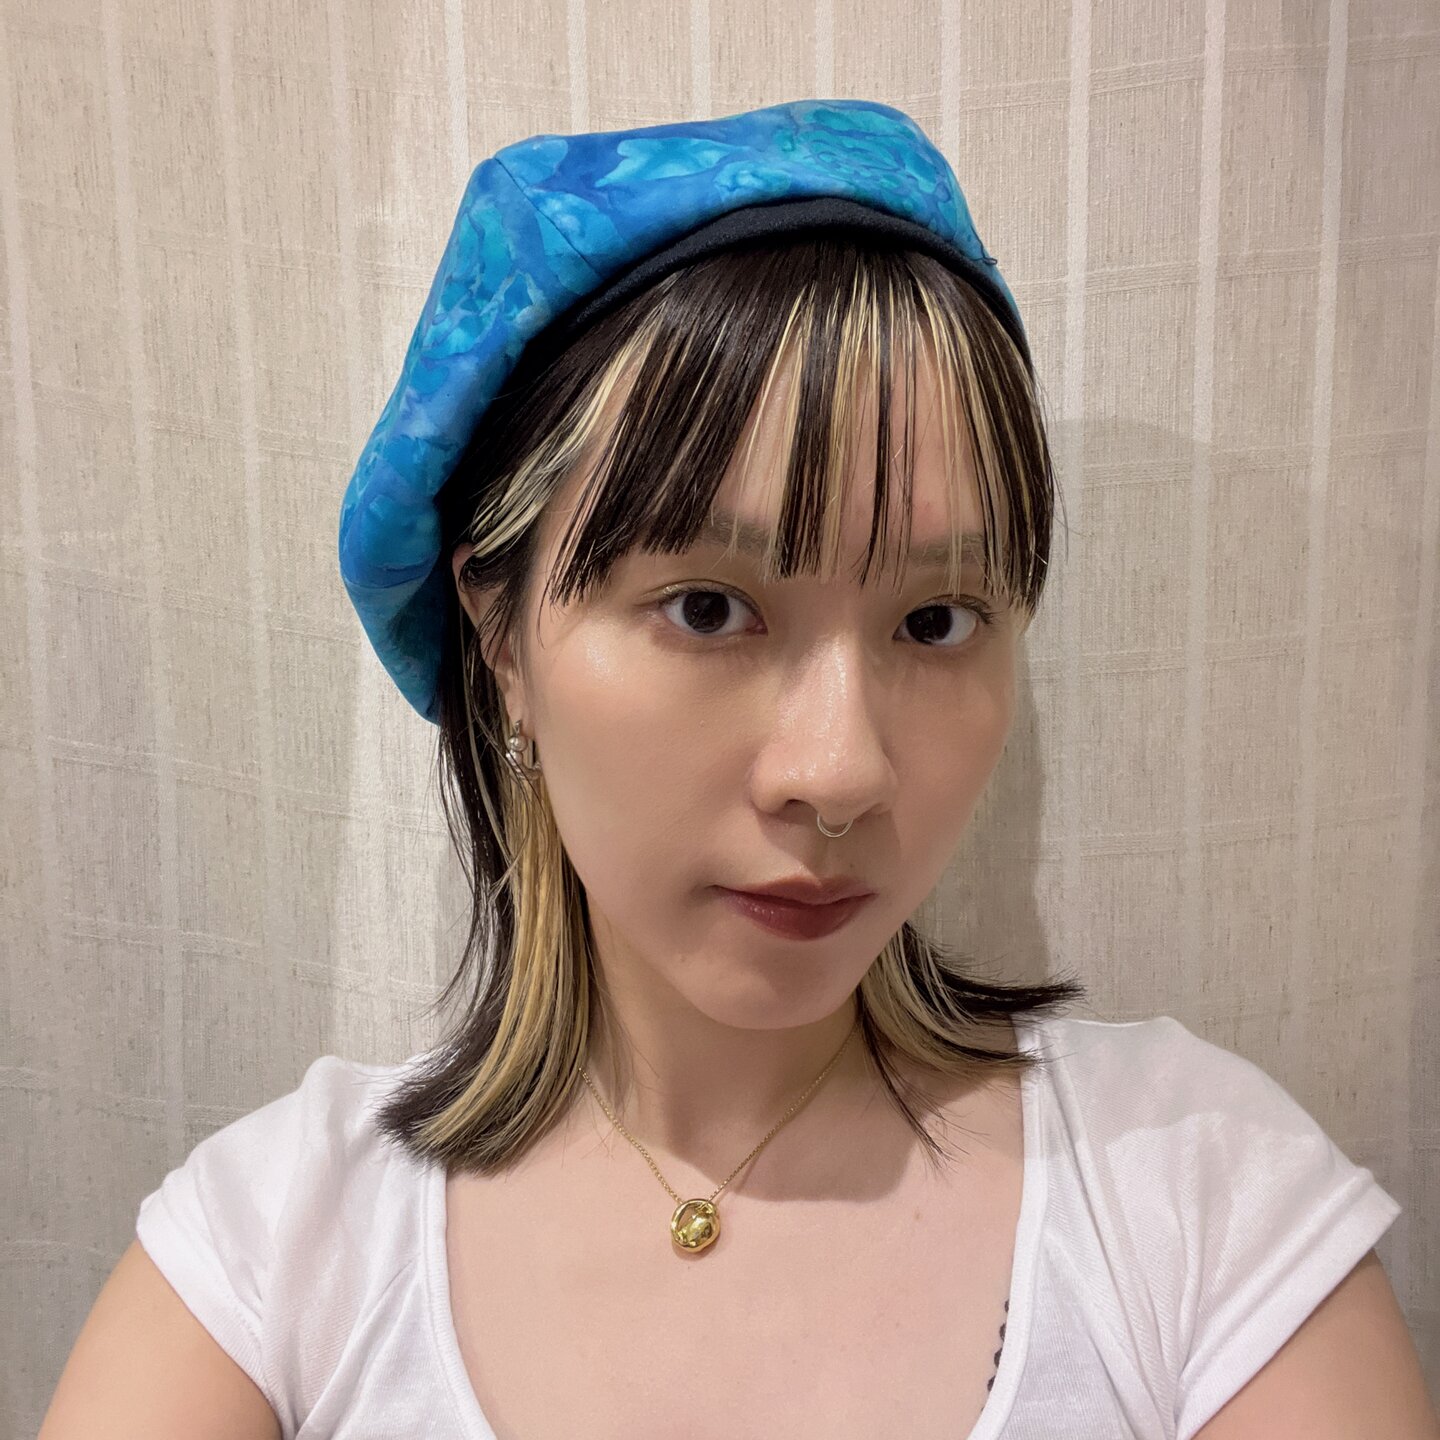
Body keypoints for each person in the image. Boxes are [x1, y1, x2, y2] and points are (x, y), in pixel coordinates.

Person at [39, 98, 1436, 1440]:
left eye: (937, 621)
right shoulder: (272, 1256)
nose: (840, 773)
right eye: (708, 608)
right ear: (502, 638)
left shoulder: (1200, 1201)